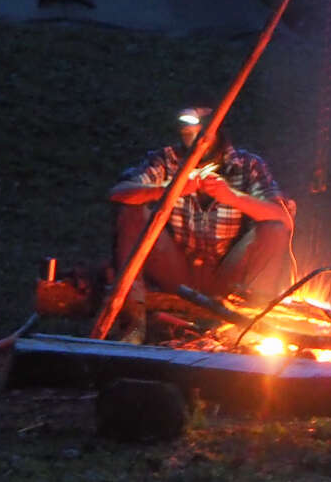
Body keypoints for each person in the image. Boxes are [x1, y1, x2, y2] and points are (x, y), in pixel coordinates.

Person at [109, 106, 294, 332]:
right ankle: (133, 321)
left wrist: (232, 196)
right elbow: (119, 192)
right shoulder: (167, 160)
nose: (191, 140)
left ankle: (251, 326)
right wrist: (170, 189)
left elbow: (282, 217)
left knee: (274, 229)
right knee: (132, 212)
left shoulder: (247, 165)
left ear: (215, 131)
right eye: (186, 133)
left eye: (198, 133)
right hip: (177, 272)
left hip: (227, 276)